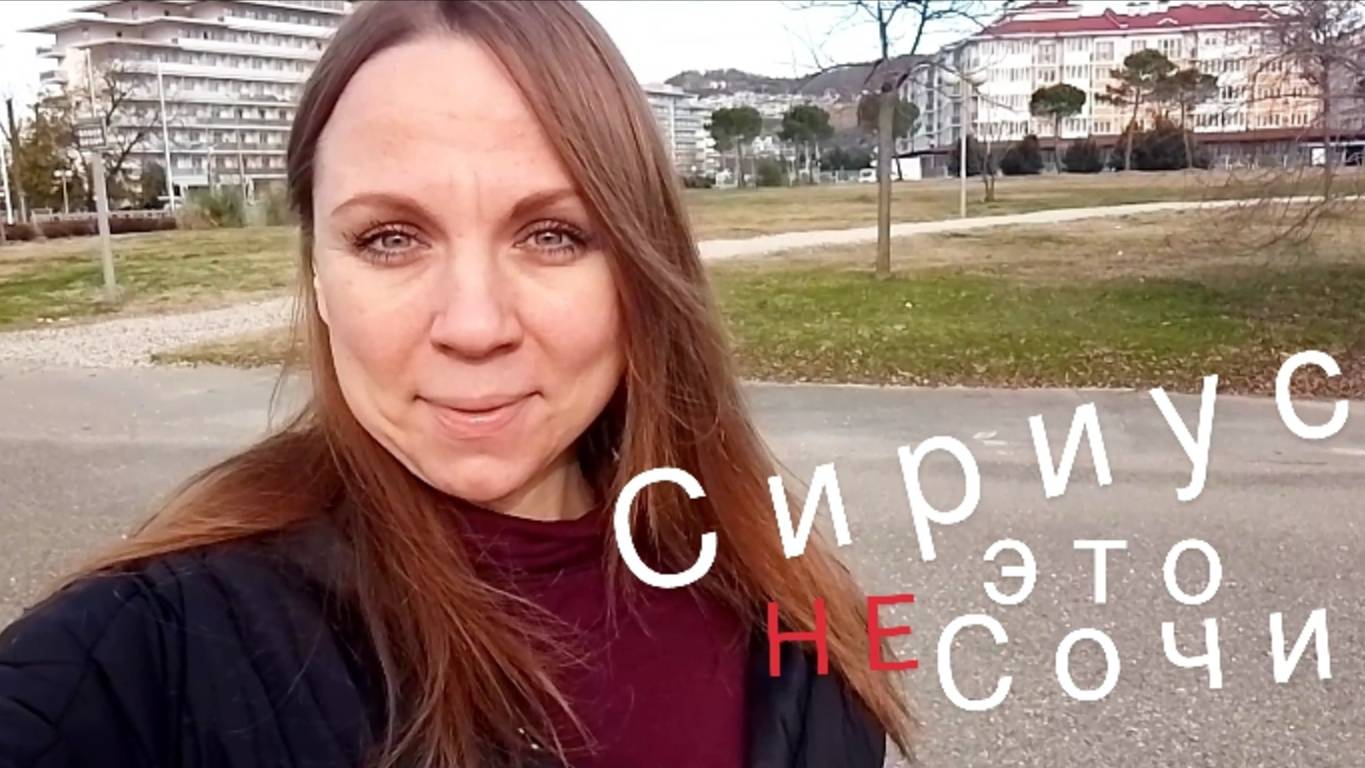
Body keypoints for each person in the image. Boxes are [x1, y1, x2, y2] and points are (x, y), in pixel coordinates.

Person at [0, 2, 913, 766]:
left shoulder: (772, 596)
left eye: (553, 235)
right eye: (390, 239)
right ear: (317, 274)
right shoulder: (142, 653)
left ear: (640, 269)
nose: (474, 327)